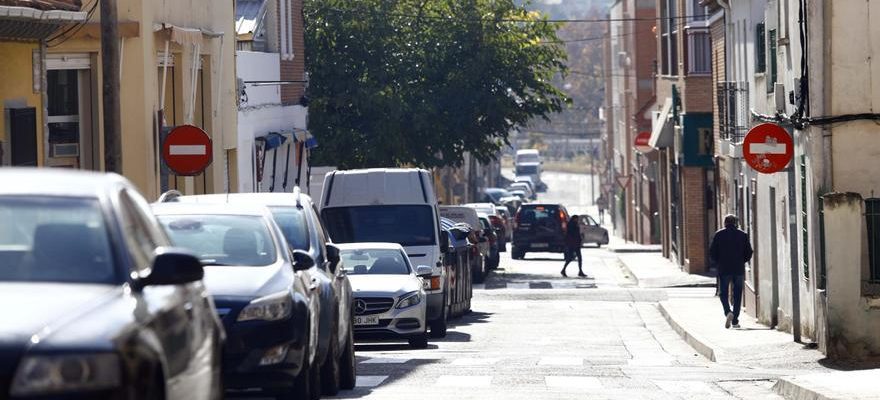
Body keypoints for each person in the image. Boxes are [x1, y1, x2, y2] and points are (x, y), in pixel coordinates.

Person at [709, 214, 753, 329]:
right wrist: (742, 260)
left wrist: (718, 262)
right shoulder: (743, 235)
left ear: (725, 223)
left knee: (723, 293)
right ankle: (735, 321)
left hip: (724, 269)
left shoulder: (719, 234)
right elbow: (749, 252)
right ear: (735, 223)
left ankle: (728, 312)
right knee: (737, 294)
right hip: (738, 269)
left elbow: (712, 252)